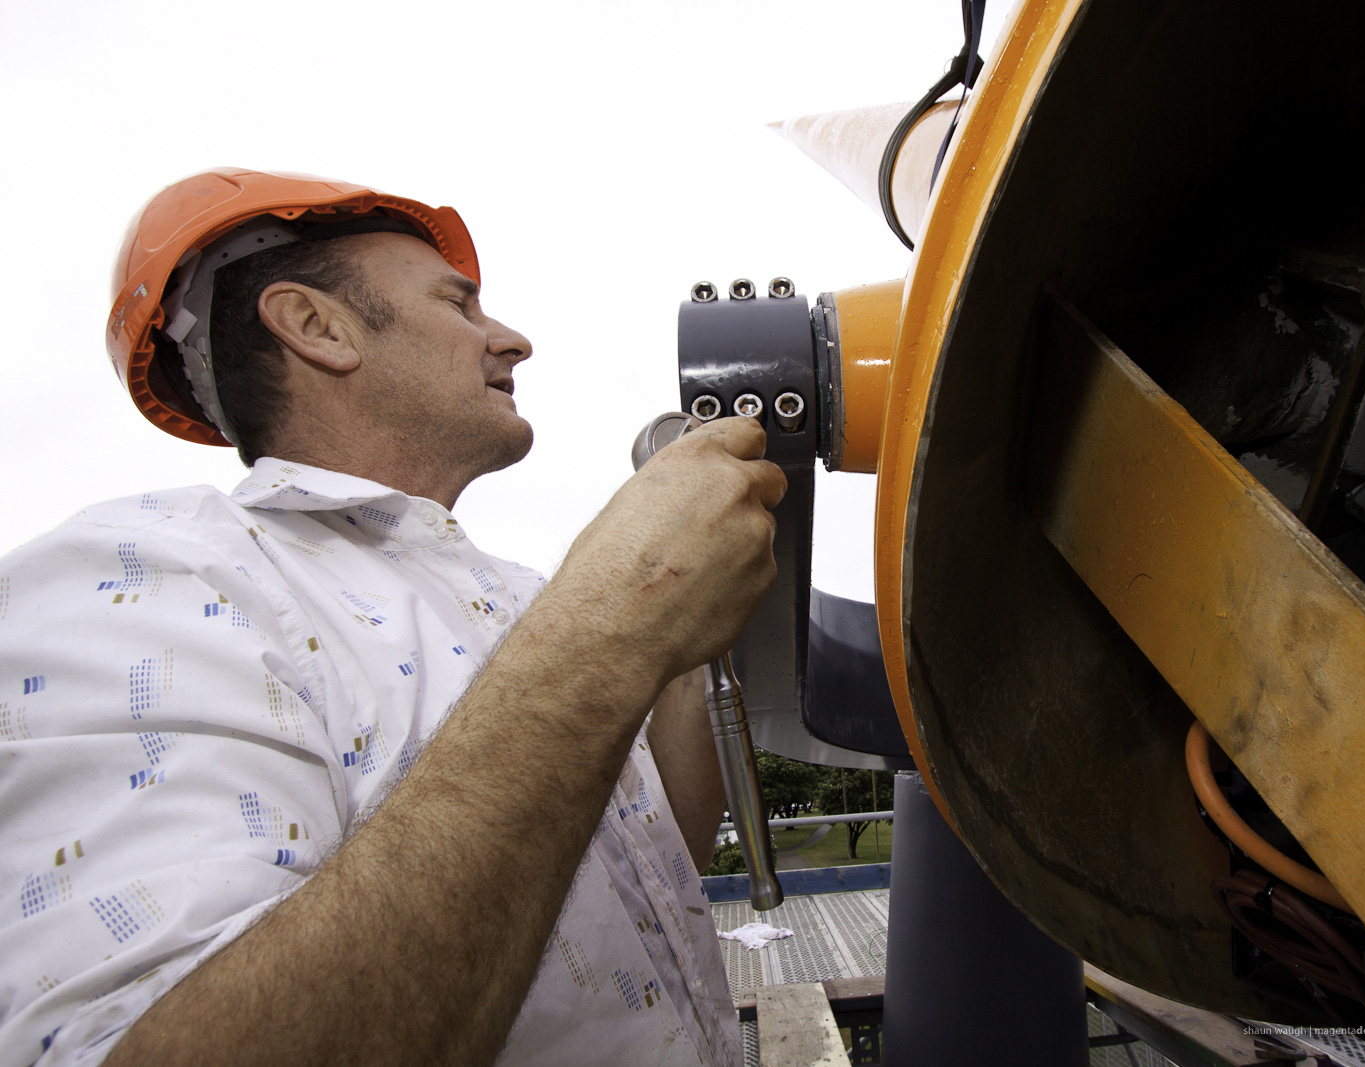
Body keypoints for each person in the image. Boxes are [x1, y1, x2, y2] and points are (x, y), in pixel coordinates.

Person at [0, 169, 786, 1066]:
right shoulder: (146, 579)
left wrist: (680, 632)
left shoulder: (519, 593)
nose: (512, 339)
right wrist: (612, 628)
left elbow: (643, 869)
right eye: (460, 305)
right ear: (316, 327)